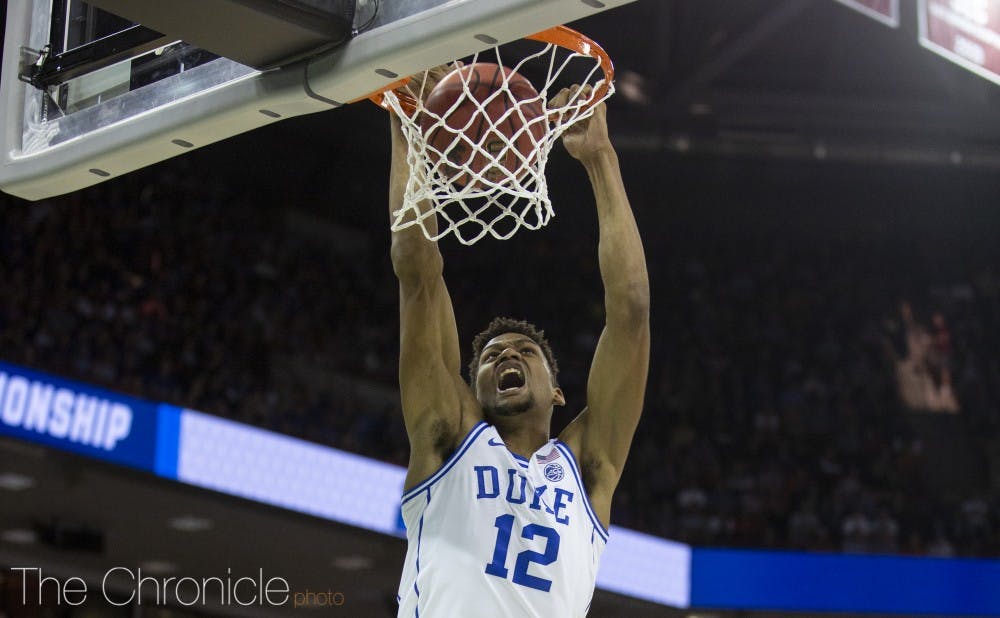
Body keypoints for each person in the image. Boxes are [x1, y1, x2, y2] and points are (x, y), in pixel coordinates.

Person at [391, 68, 650, 618]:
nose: (506, 355)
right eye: (489, 357)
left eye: (524, 353)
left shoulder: (587, 468)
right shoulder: (449, 437)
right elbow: (419, 274)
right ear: (471, 389)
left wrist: (601, 159)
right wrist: (409, 128)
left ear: (558, 393)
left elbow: (630, 314)